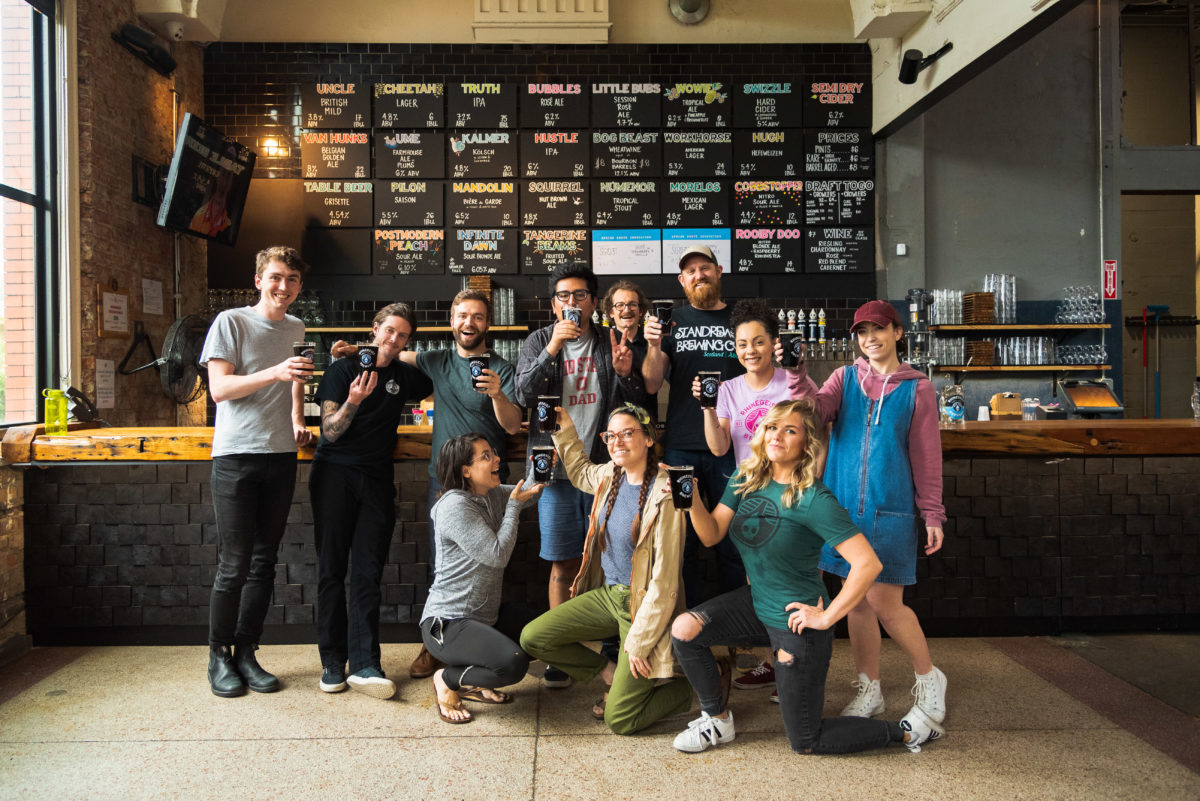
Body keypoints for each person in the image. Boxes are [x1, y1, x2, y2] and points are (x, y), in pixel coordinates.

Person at [669, 400, 945, 755]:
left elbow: (868, 564)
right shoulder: (746, 478)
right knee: (685, 630)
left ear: (806, 443)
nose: (777, 436)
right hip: (758, 604)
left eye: (790, 430)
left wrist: (828, 616)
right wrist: (691, 501)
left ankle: (907, 732)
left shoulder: (814, 498)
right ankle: (717, 721)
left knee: (807, 740)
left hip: (798, 622)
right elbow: (711, 534)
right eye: (772, 427)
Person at [786, 300, 948, 728]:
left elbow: (927, 457)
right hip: (840, 513)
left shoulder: (919, 388)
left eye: (878, 329)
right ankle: (869, 688)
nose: (870, 338)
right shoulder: (844, 378)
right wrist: (796, 375)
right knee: (854, 602)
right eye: (862, 332)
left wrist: (932, 512)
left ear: (897, 332)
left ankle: (930, 679)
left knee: (885, 603)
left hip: (890, 511)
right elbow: (816, 412)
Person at [519, 403, 692, 734]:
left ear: (648, 439)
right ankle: (611, 672)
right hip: (609, 596)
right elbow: (581, 470)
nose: (617, 442)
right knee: (534, 638)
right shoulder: (609, 475)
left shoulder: (666, 491)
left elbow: (664, 581)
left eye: (628, 433)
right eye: (611, 435)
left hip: (643, 607)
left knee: (621, 720)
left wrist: (640, 641)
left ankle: (684, 689)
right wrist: (563, 430)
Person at [515, 263, 645, 688]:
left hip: (604, 471)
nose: (572, 303)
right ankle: (561, 653)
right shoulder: (538, 340)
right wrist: (552, 348)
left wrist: (626, 374)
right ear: (554, 304)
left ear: (594, 301)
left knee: (611, 562)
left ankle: (610, 649)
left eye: (581, 295)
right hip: (554, 472)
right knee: (561, 562)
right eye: (564, 296)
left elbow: (638, 405)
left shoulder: (610, 343)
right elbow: (523, 394)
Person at [199, 245, 315, 698]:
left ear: (300, 287)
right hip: (235, 456)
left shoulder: (297, 327)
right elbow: (220, 389)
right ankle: (218, 657)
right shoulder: (231, 322)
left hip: (280, 456)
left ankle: (247, 652)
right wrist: (275, 372)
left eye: (292, 280)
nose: (283, 286)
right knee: (234, 564)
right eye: (276, 277)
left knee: (264, 564)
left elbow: (298, 380)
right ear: (259, 279)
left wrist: (298, 419)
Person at [311, 302, 433, 699]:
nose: (394, 339)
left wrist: (395, 354)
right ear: (375, 329)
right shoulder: (341, 370)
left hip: (377, 480)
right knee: (331, 569)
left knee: (367, 572)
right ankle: (332, 661)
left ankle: (365, 663)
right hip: (334, 476)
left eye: (403, 335)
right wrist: (353, 401)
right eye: (389, 331)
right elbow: (329, 431)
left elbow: (437, 374)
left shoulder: (402, 375)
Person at [697, 298, 818, 697]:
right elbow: (718, 448)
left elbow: (819, 422)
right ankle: (774, 661)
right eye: (743, 343)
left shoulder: (791, 381)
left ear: (774, 343)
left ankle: (797, 663)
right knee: (759, 582)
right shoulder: (729, 388)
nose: (750, 350)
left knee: (792, 579)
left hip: (790, 492)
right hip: (751, 495)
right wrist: (706, 408)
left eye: (759, 342)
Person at [642, 244, 746, 607]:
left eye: (705, 268)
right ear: (681, 281)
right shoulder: (671, 322)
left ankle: (738, 635)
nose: (699, 275)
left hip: (732, 448)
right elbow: (652, 384)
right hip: (682, 446)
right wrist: (654, 346)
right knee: (681, 543)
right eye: (691, 271)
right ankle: (690, 631)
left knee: (733, 544)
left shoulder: (742, 319)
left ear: (719, 271)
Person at [422, 434, 543, 723]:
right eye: (486, 456)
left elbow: (530, 492)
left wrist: (542, 462)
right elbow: (497, 554)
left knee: (546, 633)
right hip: (448, 623)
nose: (497, 459)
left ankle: (476, 681)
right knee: (513, 665)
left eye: (493, 453)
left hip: (484, 618)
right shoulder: (454, 506)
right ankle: (447, 678)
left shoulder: (489, 493)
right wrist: (513, 508)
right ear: (465, 470)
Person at [601, 279, 657, 419]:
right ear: (611, 312)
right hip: (611, 425)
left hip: (645, 424)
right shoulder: (601, 345)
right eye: (620, 305)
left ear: (641, 311)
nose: (627, 310)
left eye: (632, 304)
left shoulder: (653, 342)